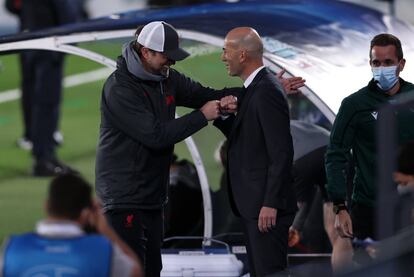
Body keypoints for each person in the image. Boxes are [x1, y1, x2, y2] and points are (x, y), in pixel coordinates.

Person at [95, 21, 240, 277]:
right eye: (166, 56)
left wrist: (261, 89)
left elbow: (207, 95)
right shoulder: (120, 88)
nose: (171, 63)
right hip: (124, 200)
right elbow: (156, 135)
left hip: (153, 198)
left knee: (152, 270)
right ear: (145, 52)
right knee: (131, 272)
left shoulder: (166, 78)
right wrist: (202, 116)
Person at [213, 27, 297, 276]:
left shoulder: (267, 90)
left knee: (269, 272)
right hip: (254, 206)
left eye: (225, 50)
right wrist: (223, 117)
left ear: (242, 55)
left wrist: (270, 203)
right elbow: (251, 139)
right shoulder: (256, 88)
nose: (222, 57)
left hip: (264, 209)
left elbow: (281, 152)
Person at [326, 33, 414, 264]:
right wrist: (339, 206)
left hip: (409, 208)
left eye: (388, 62)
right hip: (368, 206)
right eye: (376, 63)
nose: (381, 68)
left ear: (401, 64)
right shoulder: (354, 105)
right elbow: (336, 155)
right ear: (370, 64)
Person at [0, 173, 142, 277]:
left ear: (46, 205)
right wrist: (106, 230)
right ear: (86, 214)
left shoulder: (11, 249)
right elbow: (135, 271)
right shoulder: (103, 250)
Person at [5, 0, 83, 175]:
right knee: (47, 100)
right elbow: (65, 9)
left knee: (33, 95)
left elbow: (11, 5)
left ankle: (38, 146)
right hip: (50, 41)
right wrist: (73, 36)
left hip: (27, 38)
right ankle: (44, 158)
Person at [287, 120, 352, 271]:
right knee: (341, 233)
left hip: (301, 159)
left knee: (338, 232)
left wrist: (295, 225)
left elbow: (302, 196)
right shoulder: (295, 123)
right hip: (334, 151)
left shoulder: (260, 126)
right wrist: (297, 226)